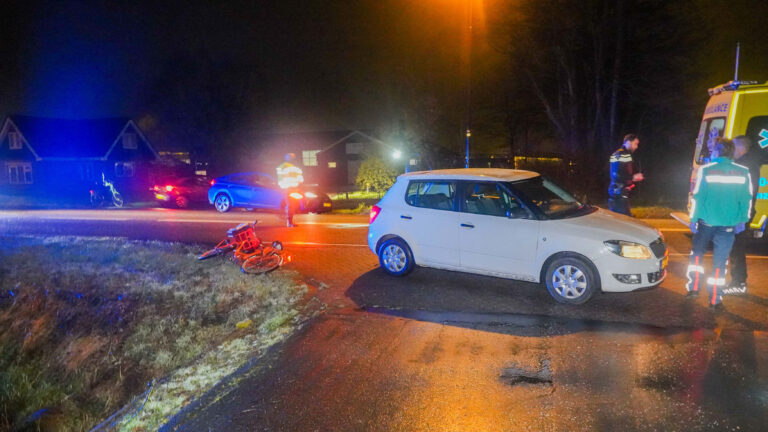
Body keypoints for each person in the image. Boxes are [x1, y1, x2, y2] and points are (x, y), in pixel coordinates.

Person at [685, 137, 753, 309]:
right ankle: (715, 299)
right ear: (731, 152)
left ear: (716, 151)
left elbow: (699, 197)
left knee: (697, 255)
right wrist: (742, 220)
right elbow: (746, 199)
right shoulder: (743, 171)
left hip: (706, 222)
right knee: (720, 263)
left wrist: (693, 219)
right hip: (729, 224)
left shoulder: (706, 170)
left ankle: (693, 288)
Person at [723, 135, 764, 295]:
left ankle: (738, 282)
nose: (731, 149)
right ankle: (738, 280)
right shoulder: (747, 164)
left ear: (740, 147)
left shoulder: (746, 166)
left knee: (737, 248)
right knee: (735, 248)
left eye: (733, 146)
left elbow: (747, 194)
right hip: (739, 212)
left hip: (740, 214)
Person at [608, 134, 644, 215]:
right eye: (635, 144)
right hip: (619, 193)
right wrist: (632, 177)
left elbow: (619, 173)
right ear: (628, 142)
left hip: (616, 191)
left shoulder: (617, 153)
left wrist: (629, 183)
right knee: (627, 220)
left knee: (618, 221)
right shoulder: (623, 154)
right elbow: (616, 175)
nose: (636, 147)